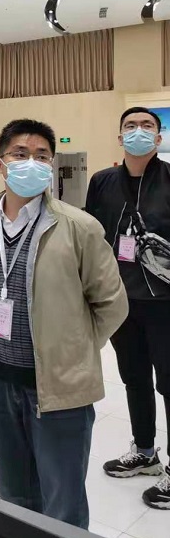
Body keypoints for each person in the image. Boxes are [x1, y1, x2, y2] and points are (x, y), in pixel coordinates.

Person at [0, 119, 127, 529]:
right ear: (0, 164)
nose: (32, 162)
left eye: (42, 156)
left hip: (58, 390)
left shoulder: (79, 227)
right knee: (14, 494)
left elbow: (112, 303)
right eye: (20, 154)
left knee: (64, 505)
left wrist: (74, 349)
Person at [86, 106, 170, 510]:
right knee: (134, 378)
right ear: (120, 137)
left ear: (159, 137)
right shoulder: (102, 182)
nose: (139, 131)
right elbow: (91, 237)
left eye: (147, 126)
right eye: (130, 126)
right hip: (120, 299)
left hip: (165, 302)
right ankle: (145, 451)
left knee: (169, 383)